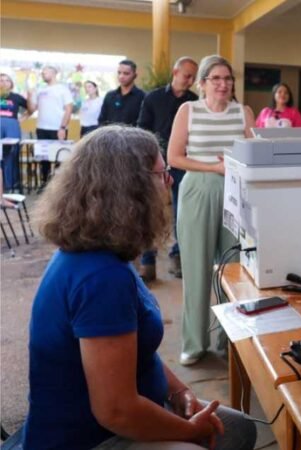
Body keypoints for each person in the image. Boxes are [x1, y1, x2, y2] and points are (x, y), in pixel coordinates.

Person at [24, 125, 257, 450]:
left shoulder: (104, 255)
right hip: (92, 439)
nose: (169, 181)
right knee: (214, 438)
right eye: (162, 173)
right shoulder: (101, 278)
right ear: (130, 190)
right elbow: (116, 411)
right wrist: (190, 431)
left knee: (239, 428)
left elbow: (134, 352)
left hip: (124, 415)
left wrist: (180, 393)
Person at [168, 55, 255, 366]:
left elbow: (254, 154)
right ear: (202, 83)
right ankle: (194, 343)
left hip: (235, 192)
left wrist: (234, 164)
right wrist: (214, 167)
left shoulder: (243, 112)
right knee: (196, 269)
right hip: (197, 191)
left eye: (228, 78)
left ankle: (228, 339)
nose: (223, 84)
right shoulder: (188, 110)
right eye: (216, 78)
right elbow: (175, 157)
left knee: (233, 268)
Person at [137, 56, 199, 282]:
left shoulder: (195, 103)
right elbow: (142, 129)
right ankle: (147, 262)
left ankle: (178, 256)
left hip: (183, 164)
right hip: (155, 164)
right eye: (187, 75)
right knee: (150, 210)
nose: (190, 80)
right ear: (175, 73)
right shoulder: (153, 98)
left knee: (182, 212)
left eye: (193, 76)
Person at [29, 65, 73, 184]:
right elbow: (32, 109)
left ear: (54, 73)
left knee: (60, 158)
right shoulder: (40, 90)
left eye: (45, 72)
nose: (43, 74)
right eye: (42, 72)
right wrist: (30, 95)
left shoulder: (63, 89)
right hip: (41, 128)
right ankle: (45, 184)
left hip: (57, 129)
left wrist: (62, 128)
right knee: (44, 159)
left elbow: (69, 109)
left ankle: (59, 186)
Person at [0, 73, 30, 191]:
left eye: (7, 80)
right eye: (1, 80)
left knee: (11, 154)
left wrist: (22, 118)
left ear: (11, 83)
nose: (4, 82)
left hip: (11, 125)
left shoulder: (16, 97)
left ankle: (10, 185)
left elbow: (31, 107)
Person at [98, 59, 146, 127]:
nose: (121, 76)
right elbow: (102, 120)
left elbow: (144, 122)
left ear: (135, 75)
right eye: (119, 73)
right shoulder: (110, 96)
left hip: (133, 136)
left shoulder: (142, 97)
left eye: (126, 73)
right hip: (110, 136)